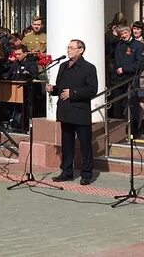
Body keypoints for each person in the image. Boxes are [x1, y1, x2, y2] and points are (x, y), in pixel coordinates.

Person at [47, 40, 98, 185]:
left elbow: (92, 90)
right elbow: (62, 87)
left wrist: (73, 92)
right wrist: (53, 89)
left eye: (72, 48)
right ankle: (67, 171)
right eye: (68, 47)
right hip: (65, 110)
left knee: (85, 144)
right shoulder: (63, 66)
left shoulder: (88, 68)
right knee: (67, 143)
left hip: (80, 111)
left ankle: (86, 174)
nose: (69, 50)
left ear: (80, 50)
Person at [111, 25, 144, 120]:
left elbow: (139, 63)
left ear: (130, 32)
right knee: (117, 104)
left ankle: (132, 129)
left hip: (130, 78)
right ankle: (118, 126)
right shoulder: (118, 44)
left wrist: (125, 69)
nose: (123, 35)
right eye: (121, 34)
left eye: (125, 33)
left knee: (131, 104)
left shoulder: (139, 45)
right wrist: (114, 35)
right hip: (118, 79)